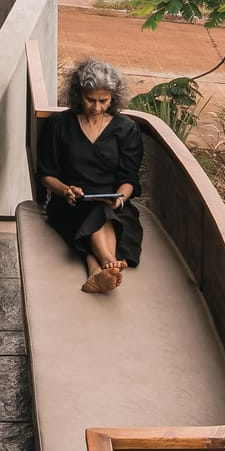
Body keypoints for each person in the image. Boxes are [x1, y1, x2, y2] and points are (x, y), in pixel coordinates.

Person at [35, 59, 146, 295]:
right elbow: (46, 174)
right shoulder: (59, 124)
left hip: (115, 206)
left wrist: (119, 199)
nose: (96, 107)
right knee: (95, 213)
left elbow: (129, 178)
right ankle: (109, 261)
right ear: (78, 94)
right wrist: (66, 190)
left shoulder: (126, 128)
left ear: (114, 98)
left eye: (103, 101)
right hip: (70, 203)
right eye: (90, 100)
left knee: (104, 212)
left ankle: (97, 272)